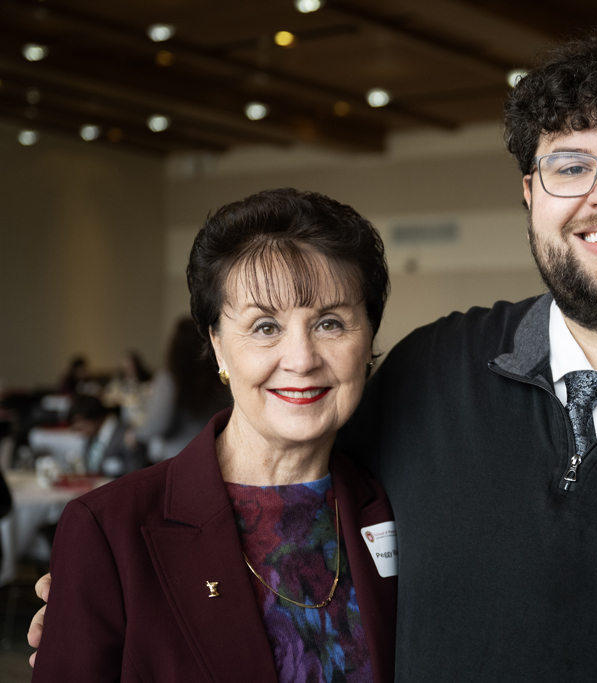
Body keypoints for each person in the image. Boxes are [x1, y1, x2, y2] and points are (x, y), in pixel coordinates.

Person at [31, 25, 597, 681]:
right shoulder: (430, 374)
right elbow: (280, 490)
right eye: (570, 165)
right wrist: (113, 589)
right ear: (531, 195)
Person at [30, 189, 398, 682]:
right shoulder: (108, 531)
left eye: (330, 323)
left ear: (368, 338)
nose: (302, 358)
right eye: (265, 327)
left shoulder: (401, 504)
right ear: (218, 345)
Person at [130, 318, 231, 462]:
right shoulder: (219, 378)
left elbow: (160, 424)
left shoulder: (170, 379)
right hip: (212, 455)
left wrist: (135, 435)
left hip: (176, 457)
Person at [103, 350, 153, 428]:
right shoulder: (119, 384)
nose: (128, 371)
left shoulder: (147, 384)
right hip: (126, 421)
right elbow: (107, 399)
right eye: (124, 368)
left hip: (143, 420)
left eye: (130, 367)